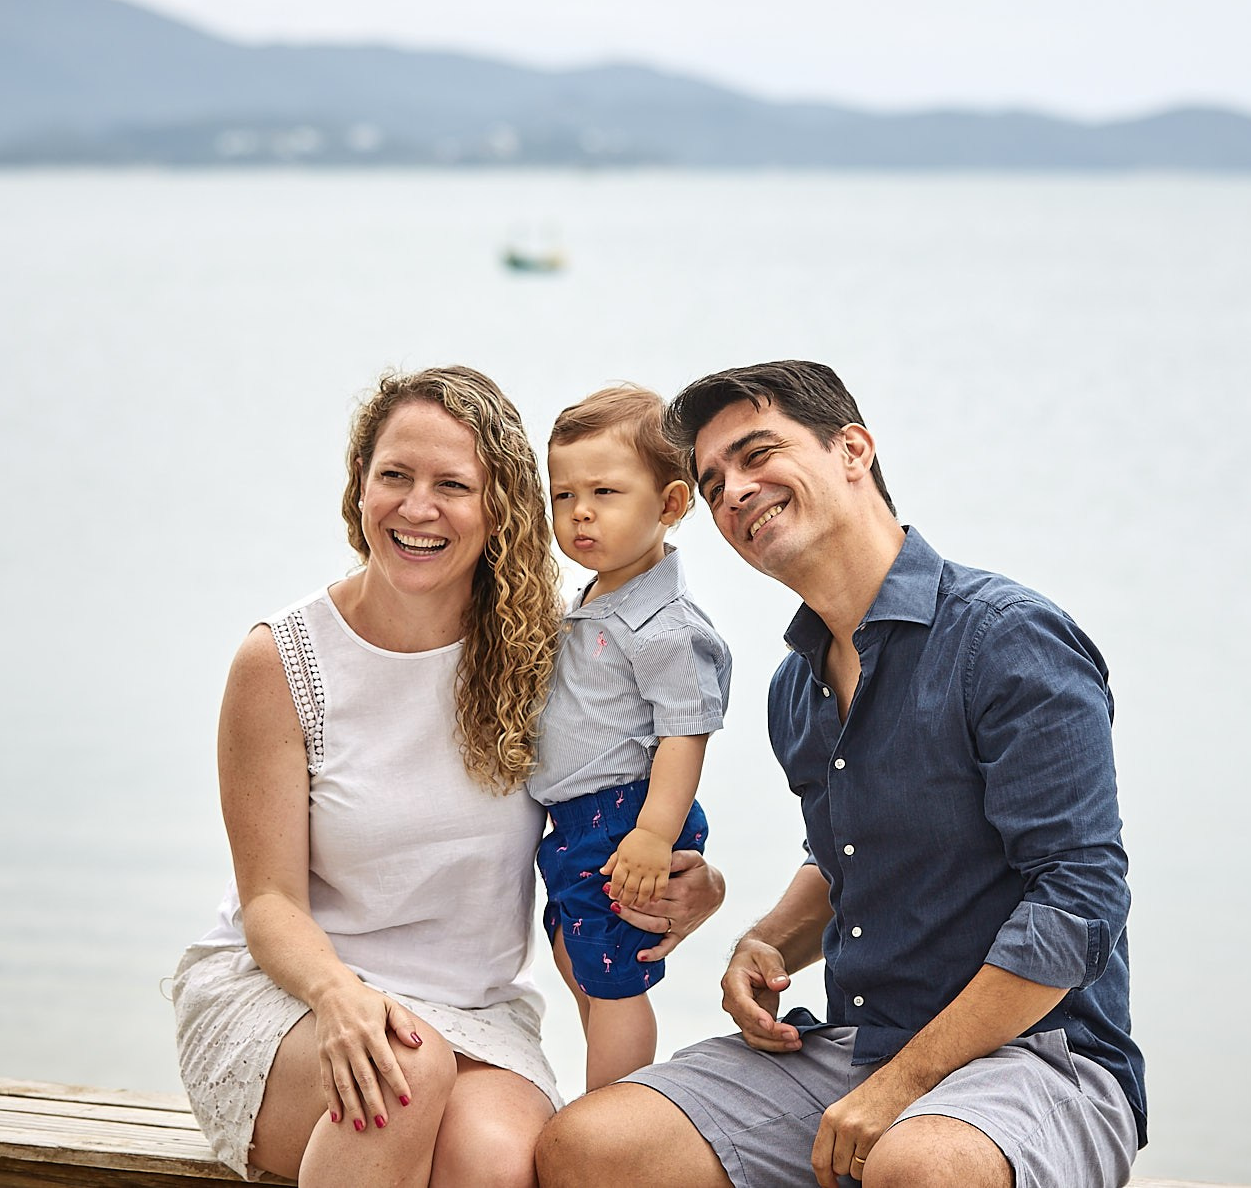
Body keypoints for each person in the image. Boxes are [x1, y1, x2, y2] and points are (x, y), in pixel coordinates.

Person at [535, 360, 1145, 1188]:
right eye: (713, 482)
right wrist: (764, 941)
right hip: (858, 1043)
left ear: (853, 449)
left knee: (919, 1165)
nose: (735, 491)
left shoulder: (1007, 641)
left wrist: (905, 1082)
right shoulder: (797, 686)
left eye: (758, 454)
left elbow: (1077, 904)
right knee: (587, 1145)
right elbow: (844, 858)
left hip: (1042, 1058)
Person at [170, 366, 722, 1188]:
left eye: (452, 485)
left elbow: (612, 809)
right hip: (293, 996)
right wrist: (338, 995)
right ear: (360, 485)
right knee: (404, 1072)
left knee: (496, 1162)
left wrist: (693, 881)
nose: (417, 507)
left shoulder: (548, 655)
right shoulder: (282, 662)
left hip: (476, 1011)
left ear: (497, 505)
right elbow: (270, 903)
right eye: (394, 475)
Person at [530, 386, 731, 1091]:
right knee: (577, 955)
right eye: (562, 495)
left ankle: (609, 1116)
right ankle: (609, 1097)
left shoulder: (668, 627)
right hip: (578, 820)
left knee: (618, 982)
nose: (579, 512)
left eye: (605, 492)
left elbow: (684, 733)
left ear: (671, 505)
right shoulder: (593, 598)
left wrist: (652, 833)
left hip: (627, 817)